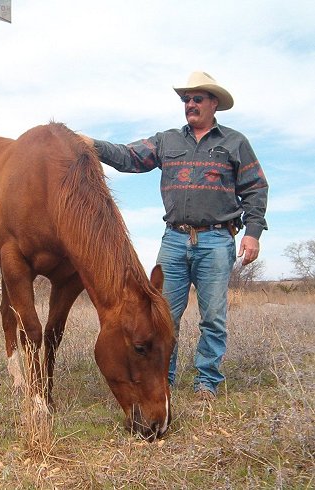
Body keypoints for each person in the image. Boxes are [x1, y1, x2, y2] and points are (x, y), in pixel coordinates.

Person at [81, 71, 268, 400]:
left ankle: (206, 383)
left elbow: (255, 188)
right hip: (174, 239)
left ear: (214, 104)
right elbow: (130, 156)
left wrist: (252, 233)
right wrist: (92, 146)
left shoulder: (234, 142)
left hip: (216, 240)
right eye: (186, 100)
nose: (191, 104)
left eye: (198, 99)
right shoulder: (167, 141)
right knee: (162, 316)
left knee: (213, 318)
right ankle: (162, 380)